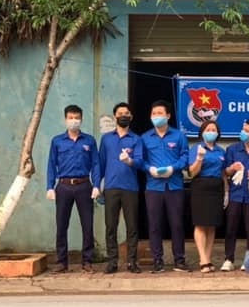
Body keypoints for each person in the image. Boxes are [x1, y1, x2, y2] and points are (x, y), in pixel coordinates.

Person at [46, 104, 101, 273]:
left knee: (87, 224)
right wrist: (50, 187)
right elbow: (51, 165)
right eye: (70, 118)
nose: (74, 121)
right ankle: (62, 262)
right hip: (63, 186)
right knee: (61, 225)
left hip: (84, 185)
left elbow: (96, 164)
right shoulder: (57, 141)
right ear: (65, 119)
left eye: (77, 118)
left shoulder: (89, 140)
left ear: (81, 119)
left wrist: (96, 185)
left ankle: (87, 261)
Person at [141, 100, 190, 273]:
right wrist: (150, 169)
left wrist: (173, 168)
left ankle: (179, 260)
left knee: (176, 224)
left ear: (168, 115)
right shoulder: (145, 137)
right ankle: (157, 260)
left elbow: (185, 157)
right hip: (153, 187)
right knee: (155, 225)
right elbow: (140, 160)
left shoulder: (179, 136)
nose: (157, 116)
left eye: (160, 113)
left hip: (174, 186)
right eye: (154, 114)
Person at [98, 102, 143, 274]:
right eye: (120, 113)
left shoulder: (136, 139)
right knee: (111, 226)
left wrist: (130, 161)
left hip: (130, 187)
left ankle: (132, 261)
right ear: (115, 116)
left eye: (126, 113)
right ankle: (112, 262)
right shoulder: (106, 139)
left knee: (132, 226)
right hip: (111, 187)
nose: (123, 116)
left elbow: (140, 162)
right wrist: (97, 185)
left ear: (131, 117)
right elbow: (101, 163)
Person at [222, 118, 249, 272]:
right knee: (231, 228)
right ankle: (228, 259)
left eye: (247, 130)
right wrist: (232, 168)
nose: (243, 132)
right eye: (243, 129)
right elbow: (225, 172)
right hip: (235, 194)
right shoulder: (232, 149)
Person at [188, 119, 228, 273]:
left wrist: (226, 192)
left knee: (212, 225)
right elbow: (192, 172)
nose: (211, 132)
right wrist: (199, 158)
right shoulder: (196, 148)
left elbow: (223, 173)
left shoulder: (220, 151)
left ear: (217, 133)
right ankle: (203, 259)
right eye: (208, 130)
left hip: (216, 188)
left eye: (213, 130)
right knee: (200, 224)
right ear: (202, 132)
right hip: (201, 187)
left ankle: (208, 258)